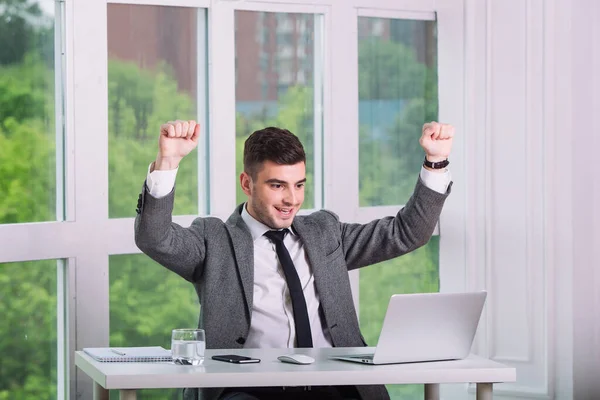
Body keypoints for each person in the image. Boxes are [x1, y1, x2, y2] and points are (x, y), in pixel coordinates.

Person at [135, 120, 454, 400]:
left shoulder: (325, 232)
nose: (292, 199)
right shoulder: (214, 240)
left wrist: (435, 162)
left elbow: (406, 233)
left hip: (334, 384)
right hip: (249, 389)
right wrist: (167, 162)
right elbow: (155, 238)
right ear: (247, 183)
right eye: (277, 185)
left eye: (299, 185)